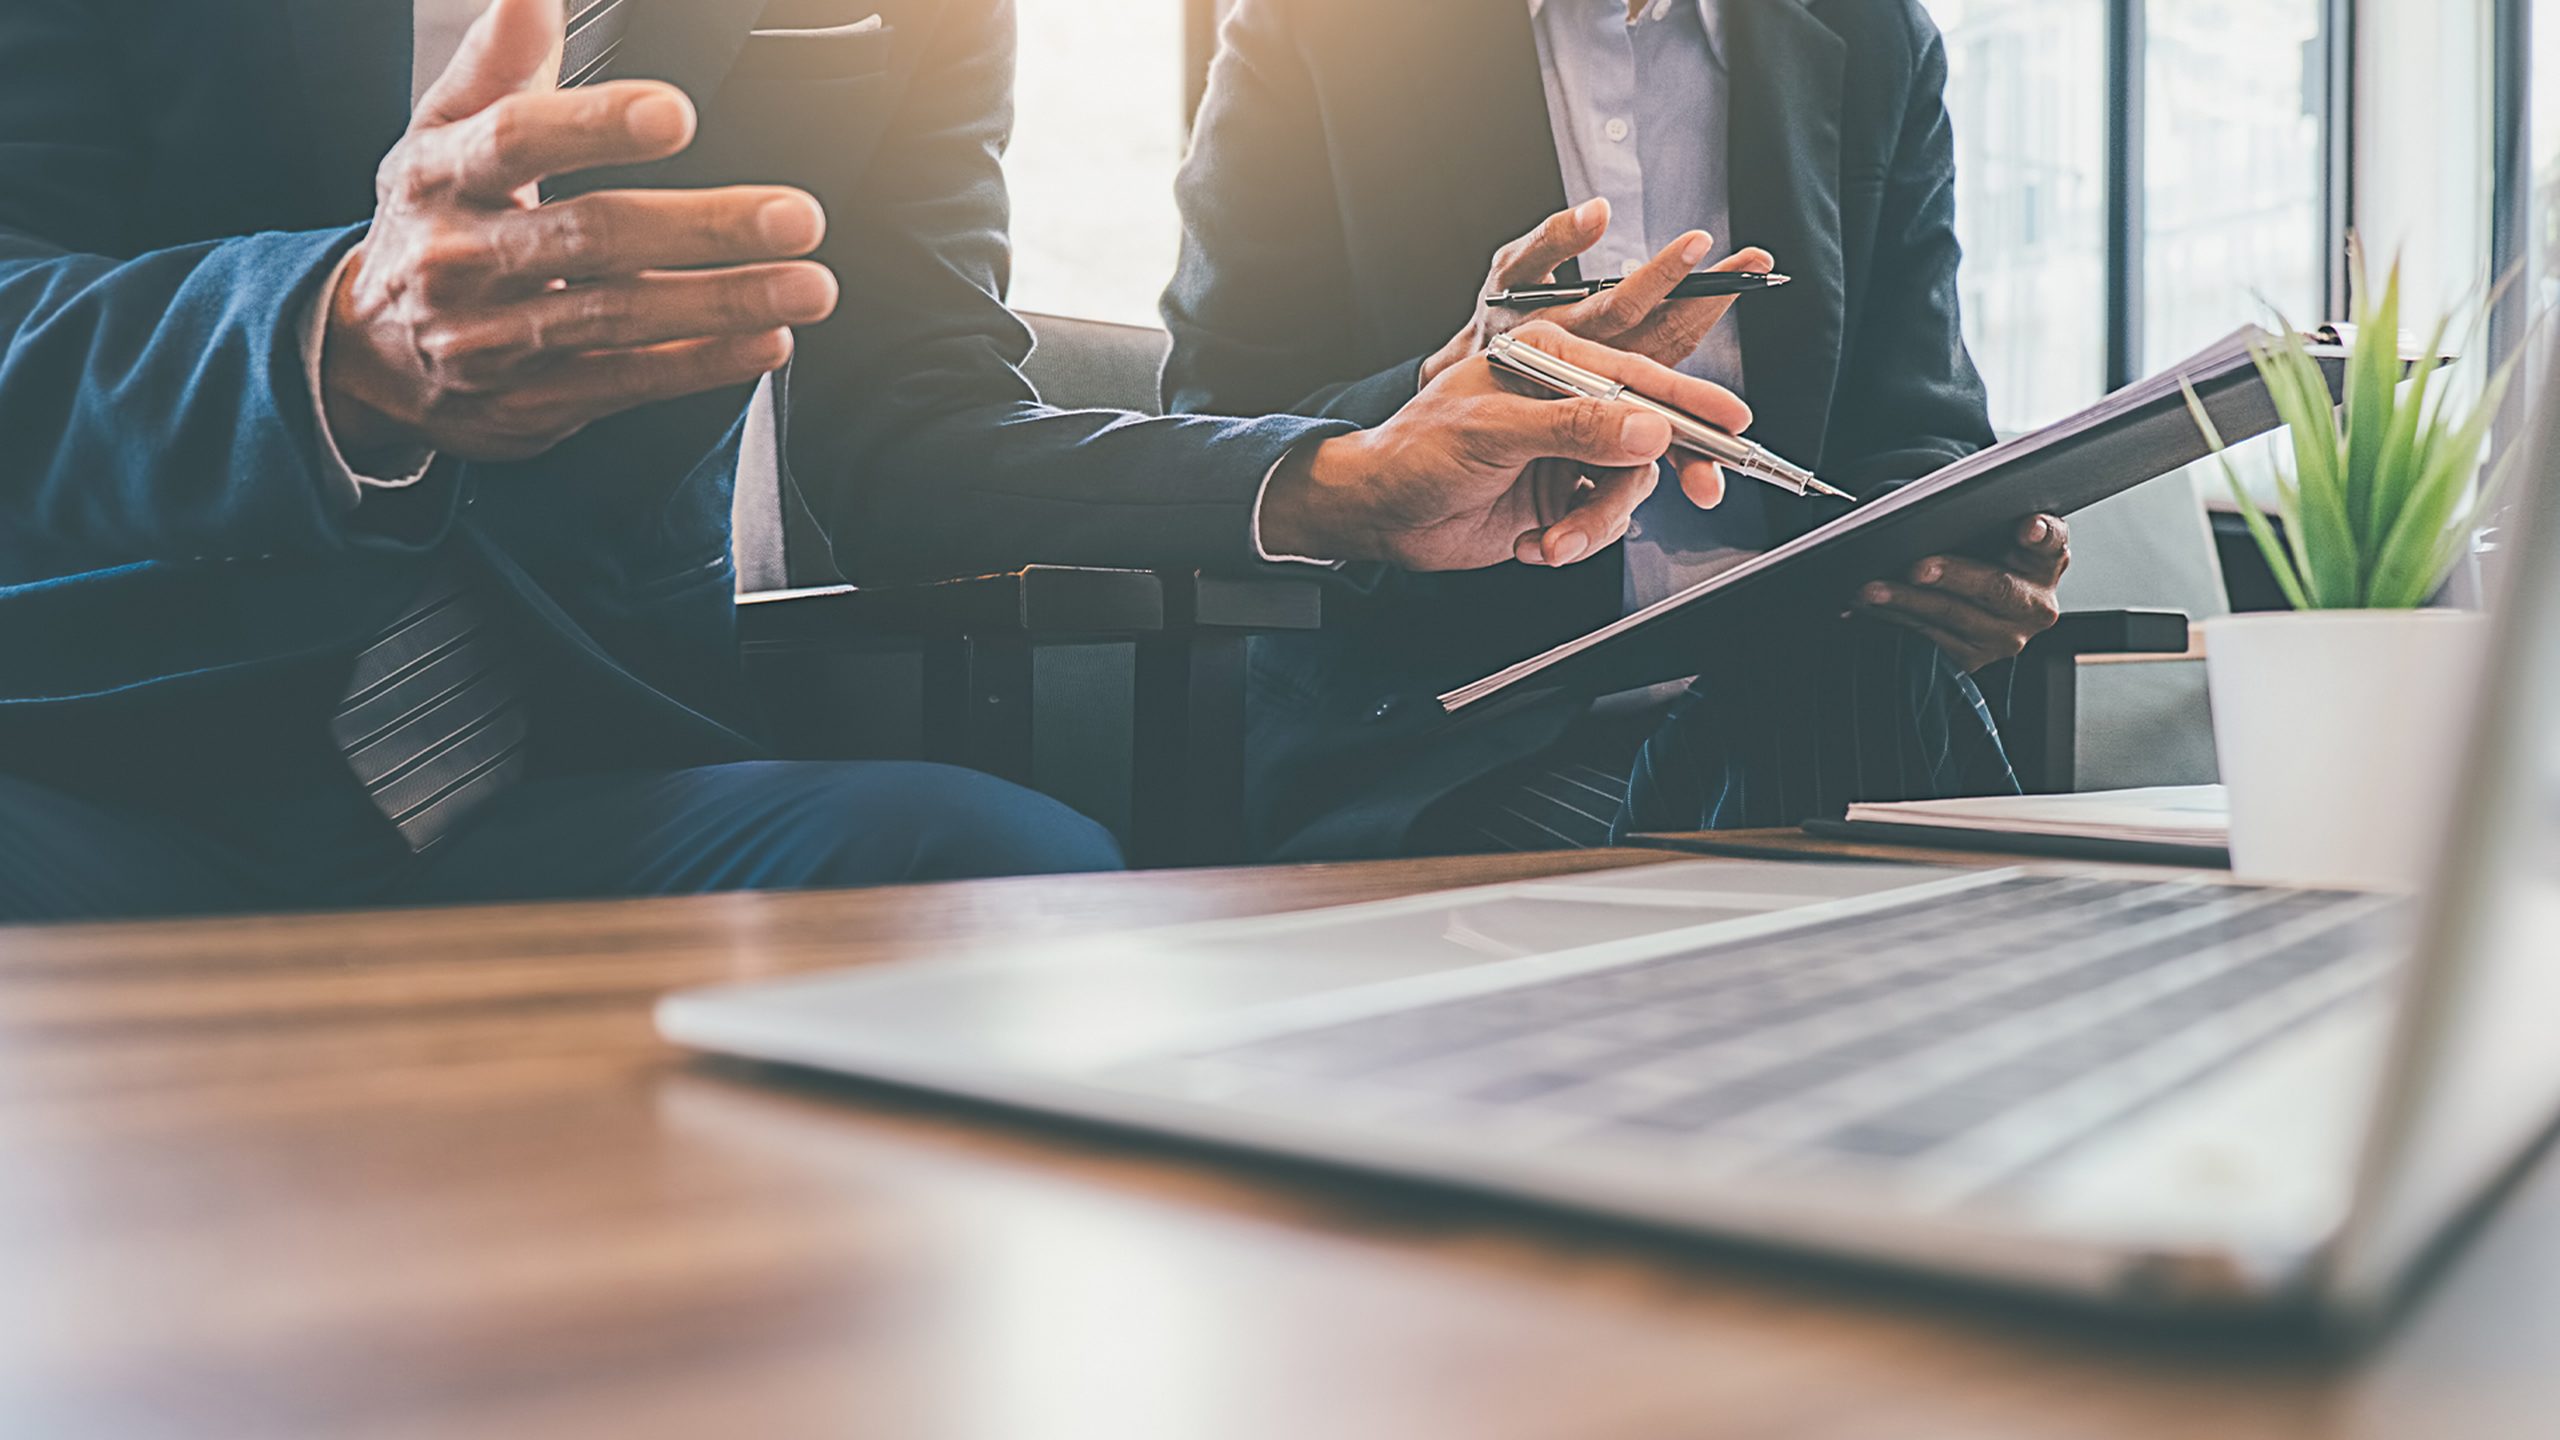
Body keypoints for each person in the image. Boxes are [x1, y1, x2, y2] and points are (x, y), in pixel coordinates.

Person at [0, 0, 1729, 921]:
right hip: (99, 753)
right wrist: (332, 343)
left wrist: (1335, 474)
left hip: (568, 768)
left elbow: (914, 420)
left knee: (1006, 878)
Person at [1161, 0, 2077, 859]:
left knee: (1848, 686)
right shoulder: (1318, 28)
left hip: (1813, 687)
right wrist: (1442, 389)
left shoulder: (1872, 32)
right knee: (1896, 816)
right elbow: (1219, 423)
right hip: (1458, 743)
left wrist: (1963, 566)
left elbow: (1920, 425)